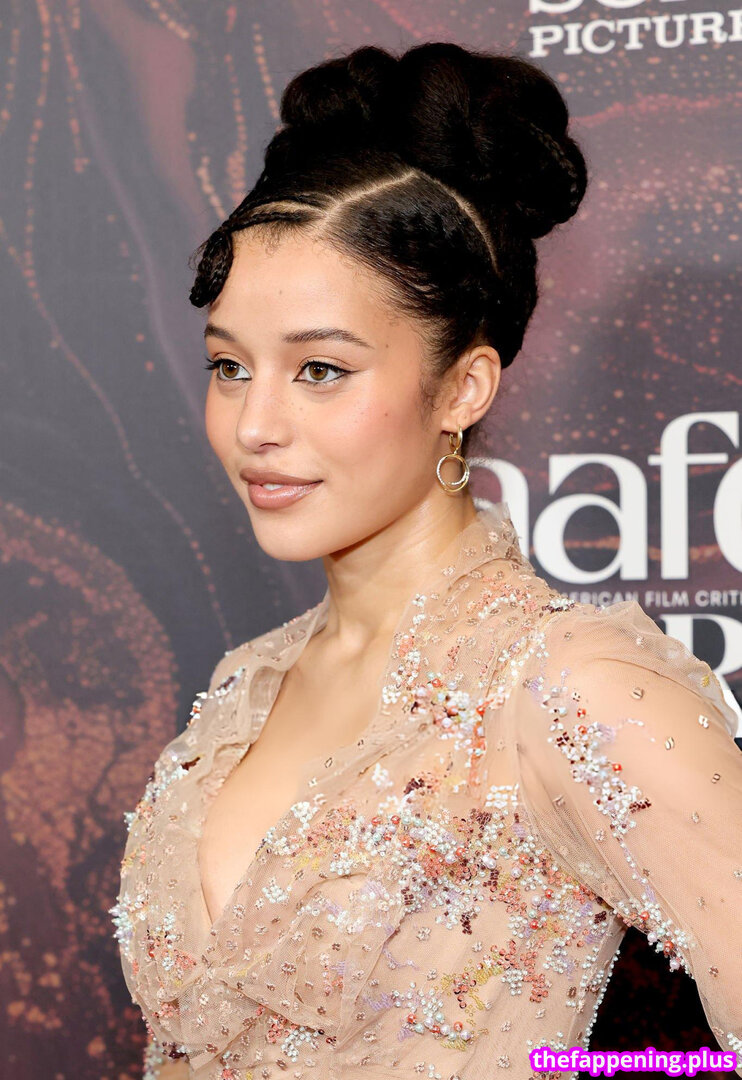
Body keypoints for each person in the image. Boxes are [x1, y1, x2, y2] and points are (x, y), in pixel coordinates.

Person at [110, 42, 742, 1080]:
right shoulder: (244, 688)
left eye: (320, 369)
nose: (253, 424)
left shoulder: (569, 689)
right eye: (230, 366)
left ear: (463, 388)